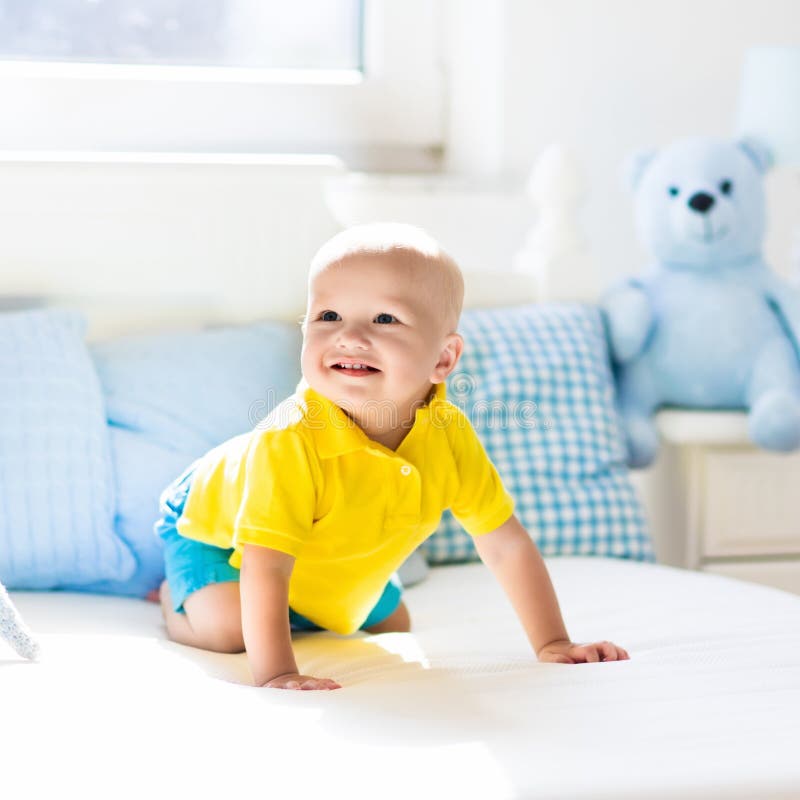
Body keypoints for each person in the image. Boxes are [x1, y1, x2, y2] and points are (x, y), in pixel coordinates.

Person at [154, 223, 629, 690]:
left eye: (384, 319)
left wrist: (553, 642)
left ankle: (309, 606)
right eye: (328, 316)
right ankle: (179, 598)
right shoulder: (289, 441)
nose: (350, 336)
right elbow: (267, 565)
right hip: (220, 536)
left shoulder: (448, 435)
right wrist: (279, 673)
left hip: (328, 551)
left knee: (395, 625)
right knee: (228, 629)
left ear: (443, 359)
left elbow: (505, 544)